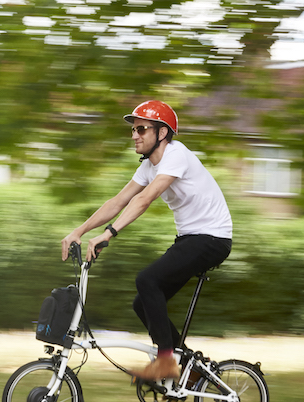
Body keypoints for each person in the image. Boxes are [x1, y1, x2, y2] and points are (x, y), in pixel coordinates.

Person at [61, 100, 233, 382]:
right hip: (190, 238)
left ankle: (166, 362)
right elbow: (117, 201)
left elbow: (144, 199)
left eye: (141, 129)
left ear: (162, 133)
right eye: (133, 130)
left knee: (147, 280)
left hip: (212, 238)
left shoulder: (176, 155)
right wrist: (77, 231)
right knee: (143, 303)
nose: (134, 135)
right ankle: (188, 366)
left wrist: (108, 233)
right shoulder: (148, 167)